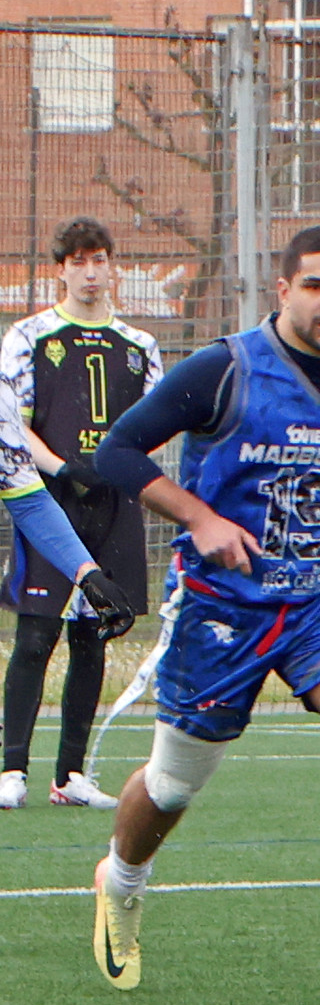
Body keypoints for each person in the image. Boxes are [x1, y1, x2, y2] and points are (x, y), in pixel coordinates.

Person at [86, 226, 320, 995]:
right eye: (315, 286)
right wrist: (200, 518)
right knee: (172, 786)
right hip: (222, 604)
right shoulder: (223, 368)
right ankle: (120, 881)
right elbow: (117, 452)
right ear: (283, 290)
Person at [2, 217, 158, 810]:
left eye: (100, 260)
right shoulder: (29, 336)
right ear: (61, 270)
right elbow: (12, 426)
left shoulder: (139, 345)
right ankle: (12, 768)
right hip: (48, 498)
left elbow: (157, 423)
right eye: (79, 262)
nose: (91, 273)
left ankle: (70, 776)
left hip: (114, 505)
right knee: (35, 634)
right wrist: (64, 468)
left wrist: (120, 466)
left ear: (113, 267)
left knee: (93, 635)